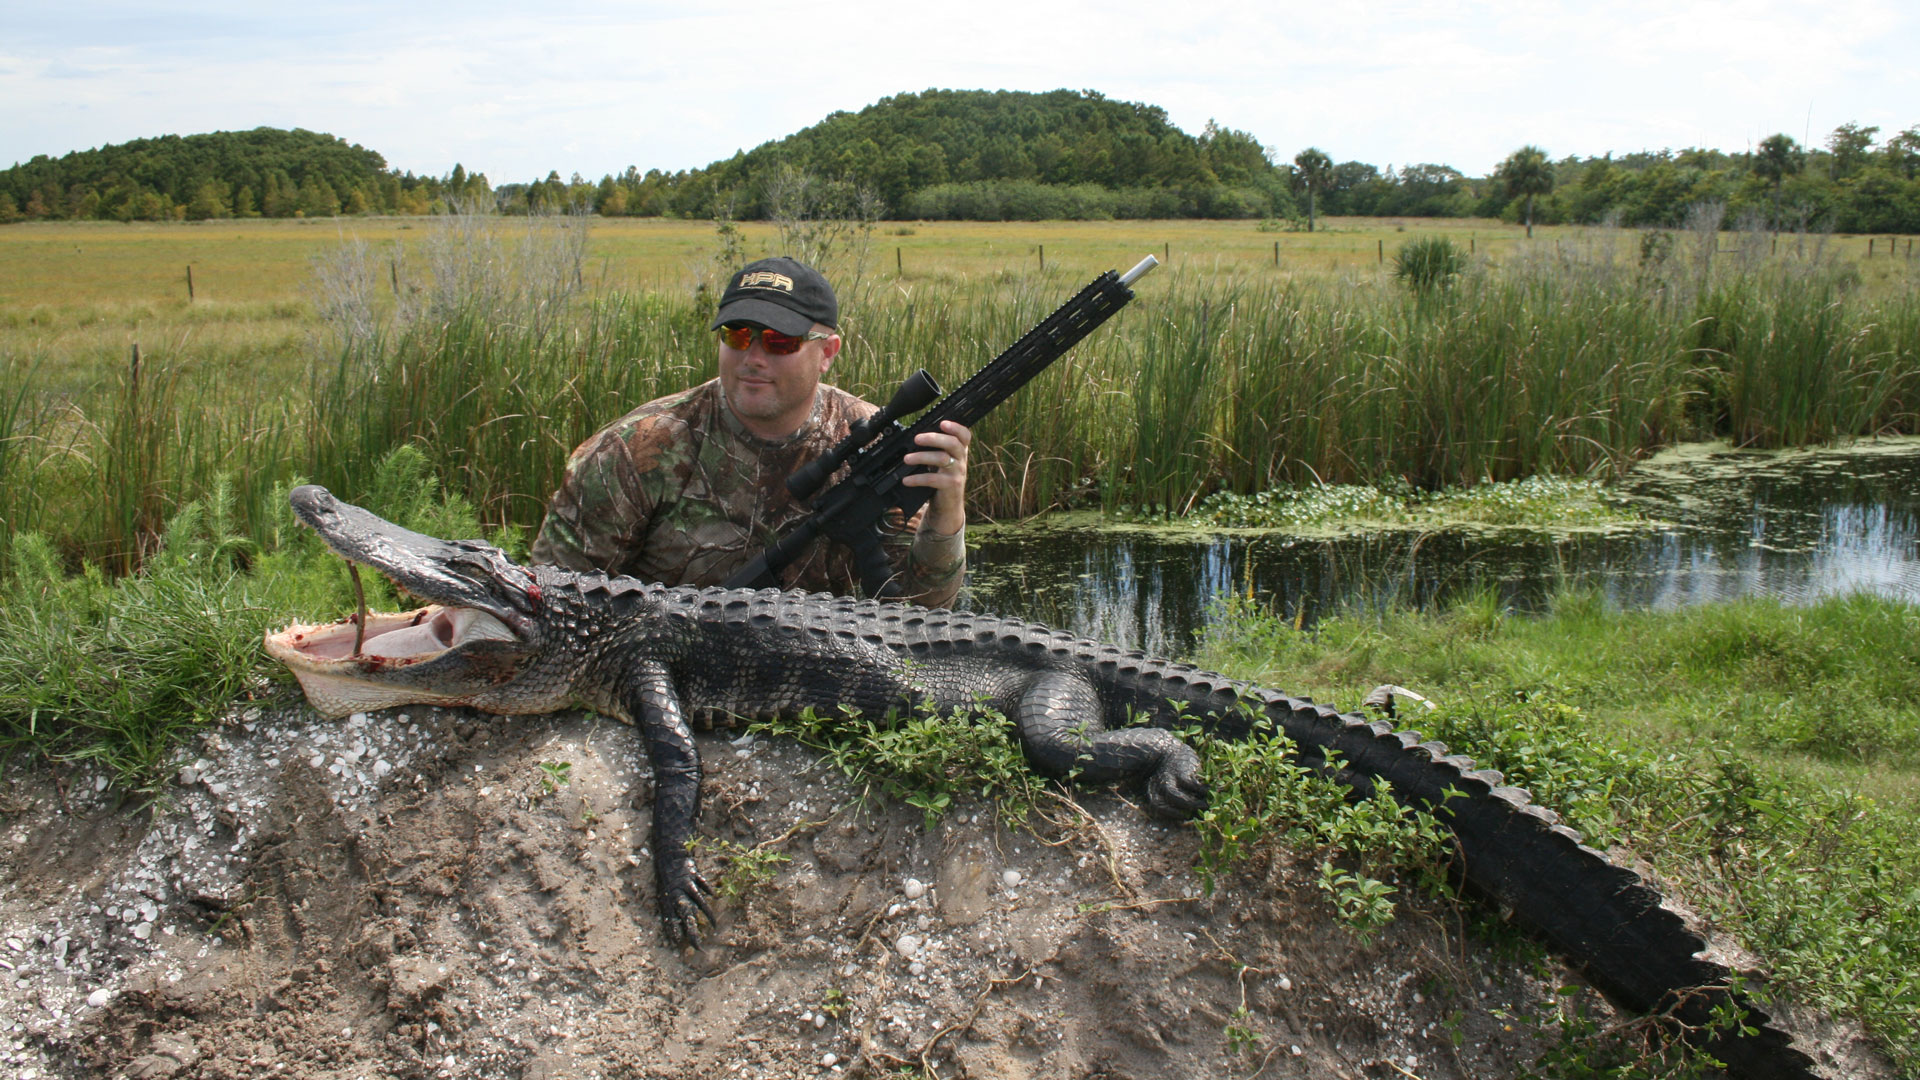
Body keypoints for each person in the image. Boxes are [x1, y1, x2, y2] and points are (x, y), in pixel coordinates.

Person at [531, 256, 970, 607]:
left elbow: (923, 614)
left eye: (780, 341)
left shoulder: (874, 445)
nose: (753, 357)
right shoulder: (635, 450)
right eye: (738, 336)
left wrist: (946, 515)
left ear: (827, 353)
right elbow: (549, 604)